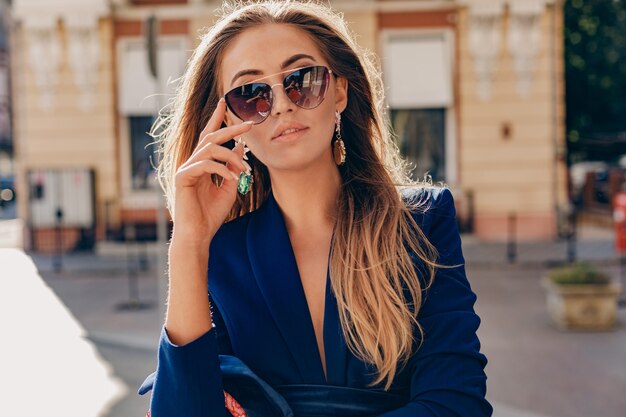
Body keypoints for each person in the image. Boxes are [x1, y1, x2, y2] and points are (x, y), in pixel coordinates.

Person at [138, 1, 492, 416]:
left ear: (339, 90)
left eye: (301, 79)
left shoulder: (422, 223)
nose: (283, 104)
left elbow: (457, 404)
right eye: (251, 94)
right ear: (228, 122)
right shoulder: (220, 256)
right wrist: (189, 244)